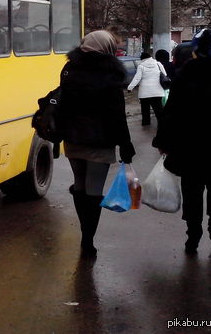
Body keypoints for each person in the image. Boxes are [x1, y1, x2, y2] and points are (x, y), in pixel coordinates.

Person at [58, 30, 135, 257]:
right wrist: (126, 144)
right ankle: (88, 239)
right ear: (107, 48)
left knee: (79, 185)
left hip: (73, 138)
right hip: (100, 141)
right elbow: (117, 115)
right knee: (93, 190)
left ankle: (85, 231)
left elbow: (62, 104)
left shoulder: (69, 69)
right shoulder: (110, 73)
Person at [153, 28, 211, 254]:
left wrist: (163, 141)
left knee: (192, 191)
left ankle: (193, 236)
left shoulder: (184, 76)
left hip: (190, 148)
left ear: (196, 52)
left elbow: (170, 113)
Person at [127, 51, 166, 126]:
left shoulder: (141, 66)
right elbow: (164, 74)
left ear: (142, 59)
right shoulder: (158, 64)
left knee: (145, 110)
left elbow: (137, 78)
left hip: (144, 93)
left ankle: (146, 123)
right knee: (158, 109)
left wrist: (130, 88)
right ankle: (162, 124)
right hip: (157, 92)